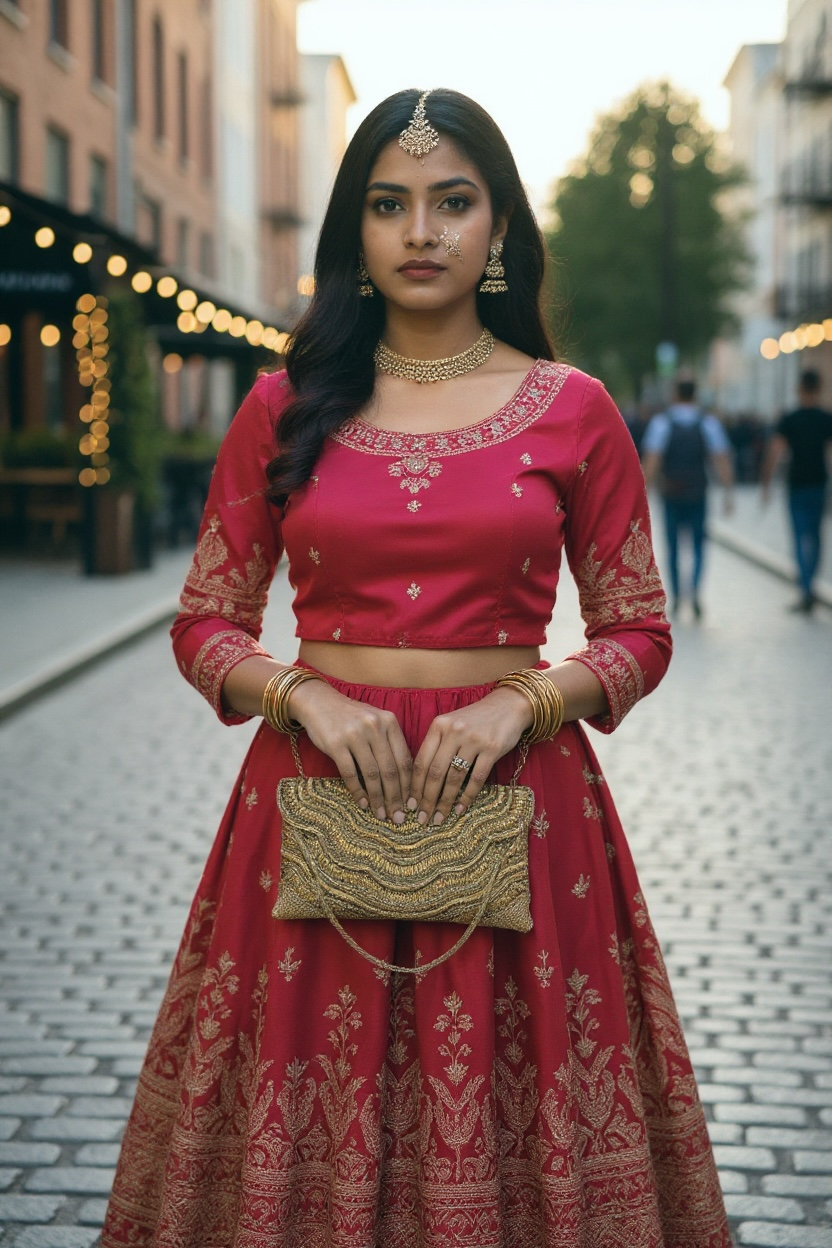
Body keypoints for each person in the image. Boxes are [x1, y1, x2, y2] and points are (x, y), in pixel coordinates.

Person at [100, 90, 730, 1247]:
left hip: (522, 808)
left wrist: (525, 704)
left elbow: (638, 629)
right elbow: (205, 622)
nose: (422, 231)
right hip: (310, 800)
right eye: (389, 205)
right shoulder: (284, 406)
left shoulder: (574, 411)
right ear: (354, 232)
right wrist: (302, 695)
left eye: (453, 203)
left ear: (498, 229)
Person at [642, 378, 735, 619]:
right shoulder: (708, 422)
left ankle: (676, 595)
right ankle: (694, 591)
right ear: (695, 394)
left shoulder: (662, 422)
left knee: (672, 547)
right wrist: (728, 490)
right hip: (697, 493)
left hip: (671, 493)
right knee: (697, 546)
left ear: (675, 394)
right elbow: (720, 457)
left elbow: (652, 460)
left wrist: (644, 492)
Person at [761, 368, 832, 613]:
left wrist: (766, 483)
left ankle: (805, 587)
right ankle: (810, 582)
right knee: (816, 534)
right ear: (819, 388)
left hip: (797, 484)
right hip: (819, 483)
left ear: (800, 388)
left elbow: (775, 451)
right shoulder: (826, 418)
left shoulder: (790, 419)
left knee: (800, 535)